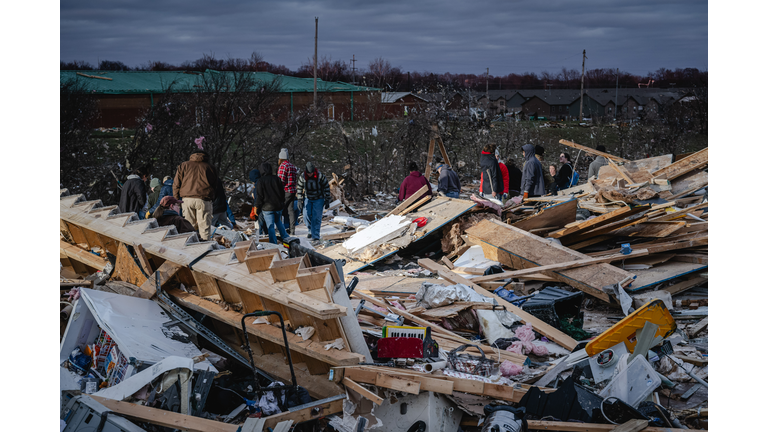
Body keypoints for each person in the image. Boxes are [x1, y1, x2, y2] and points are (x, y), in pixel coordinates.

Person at [173, 149, 219, 241]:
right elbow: (215, 185)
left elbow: (176, 184)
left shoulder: (184, 165)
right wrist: (212, 198)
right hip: (204, 199)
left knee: (188, 227)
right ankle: (205, 250)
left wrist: (176, 199)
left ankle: (189, 249)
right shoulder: (210, 167)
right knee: (204, 228)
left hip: (186, 199)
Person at [256, 161, 290, 244]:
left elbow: (259, 196)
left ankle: (273, 243)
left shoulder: (260, 181)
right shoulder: (277, 179)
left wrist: (257, 207)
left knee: (270, 226)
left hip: (267, 208)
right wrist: (282, 203)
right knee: (279, 222)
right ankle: (286, 238)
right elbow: (282, 193)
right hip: (278, 206)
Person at [296, 162, 331, 242]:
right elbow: (299, 188)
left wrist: (327, 199)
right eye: (308, 173)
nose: (310, 175)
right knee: (306, 215)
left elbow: (326, 186)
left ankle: (315, 236)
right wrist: (299, 199)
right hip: (307, 198)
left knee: (316, 217)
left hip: (319, 198)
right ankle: (310, 230)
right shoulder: (303, 176)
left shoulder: (320, 176)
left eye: (311, 173)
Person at [277, 148, 299, 235]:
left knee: (280, 210)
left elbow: (280, 181)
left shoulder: (283, 166)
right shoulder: (292, 166)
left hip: (285, 191)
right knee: (291, 211)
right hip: (293, 191)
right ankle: (292, 230)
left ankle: (280, 230)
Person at [248, 168, 269, 235]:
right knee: (264, 223)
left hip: (260, 206)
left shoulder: (257, 185)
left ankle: (259, 236)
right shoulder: (263, 182)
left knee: (260, 224)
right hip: (266, 205)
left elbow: (257, 197)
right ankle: (266, 234)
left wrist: (255, 207)